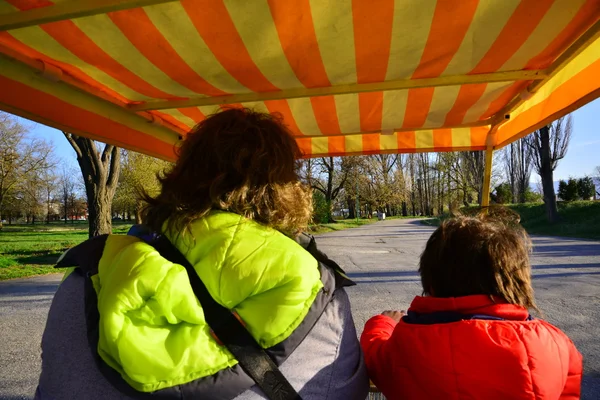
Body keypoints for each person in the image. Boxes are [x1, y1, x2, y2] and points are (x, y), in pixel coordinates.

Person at [36, 108, 368, 399]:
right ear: (284, 188)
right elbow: (343, 389)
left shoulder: (89, 275)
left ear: (181, 174)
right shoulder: (318, 292)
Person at [361, 209, 582, 400]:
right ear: (517, 282)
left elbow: (373, 356)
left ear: (431, 283)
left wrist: (383, 322)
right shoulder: (557, 343)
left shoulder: (406, 344)